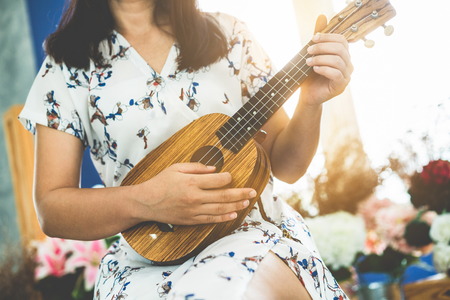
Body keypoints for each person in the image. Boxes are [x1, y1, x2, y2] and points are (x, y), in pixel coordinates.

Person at [20, 0, 353, 299]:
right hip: (146, 261)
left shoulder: (230, 34)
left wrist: (310, 103)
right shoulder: (67, 66)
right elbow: (53, 208)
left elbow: (287, 166)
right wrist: (148, 200)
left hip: (246, 235)